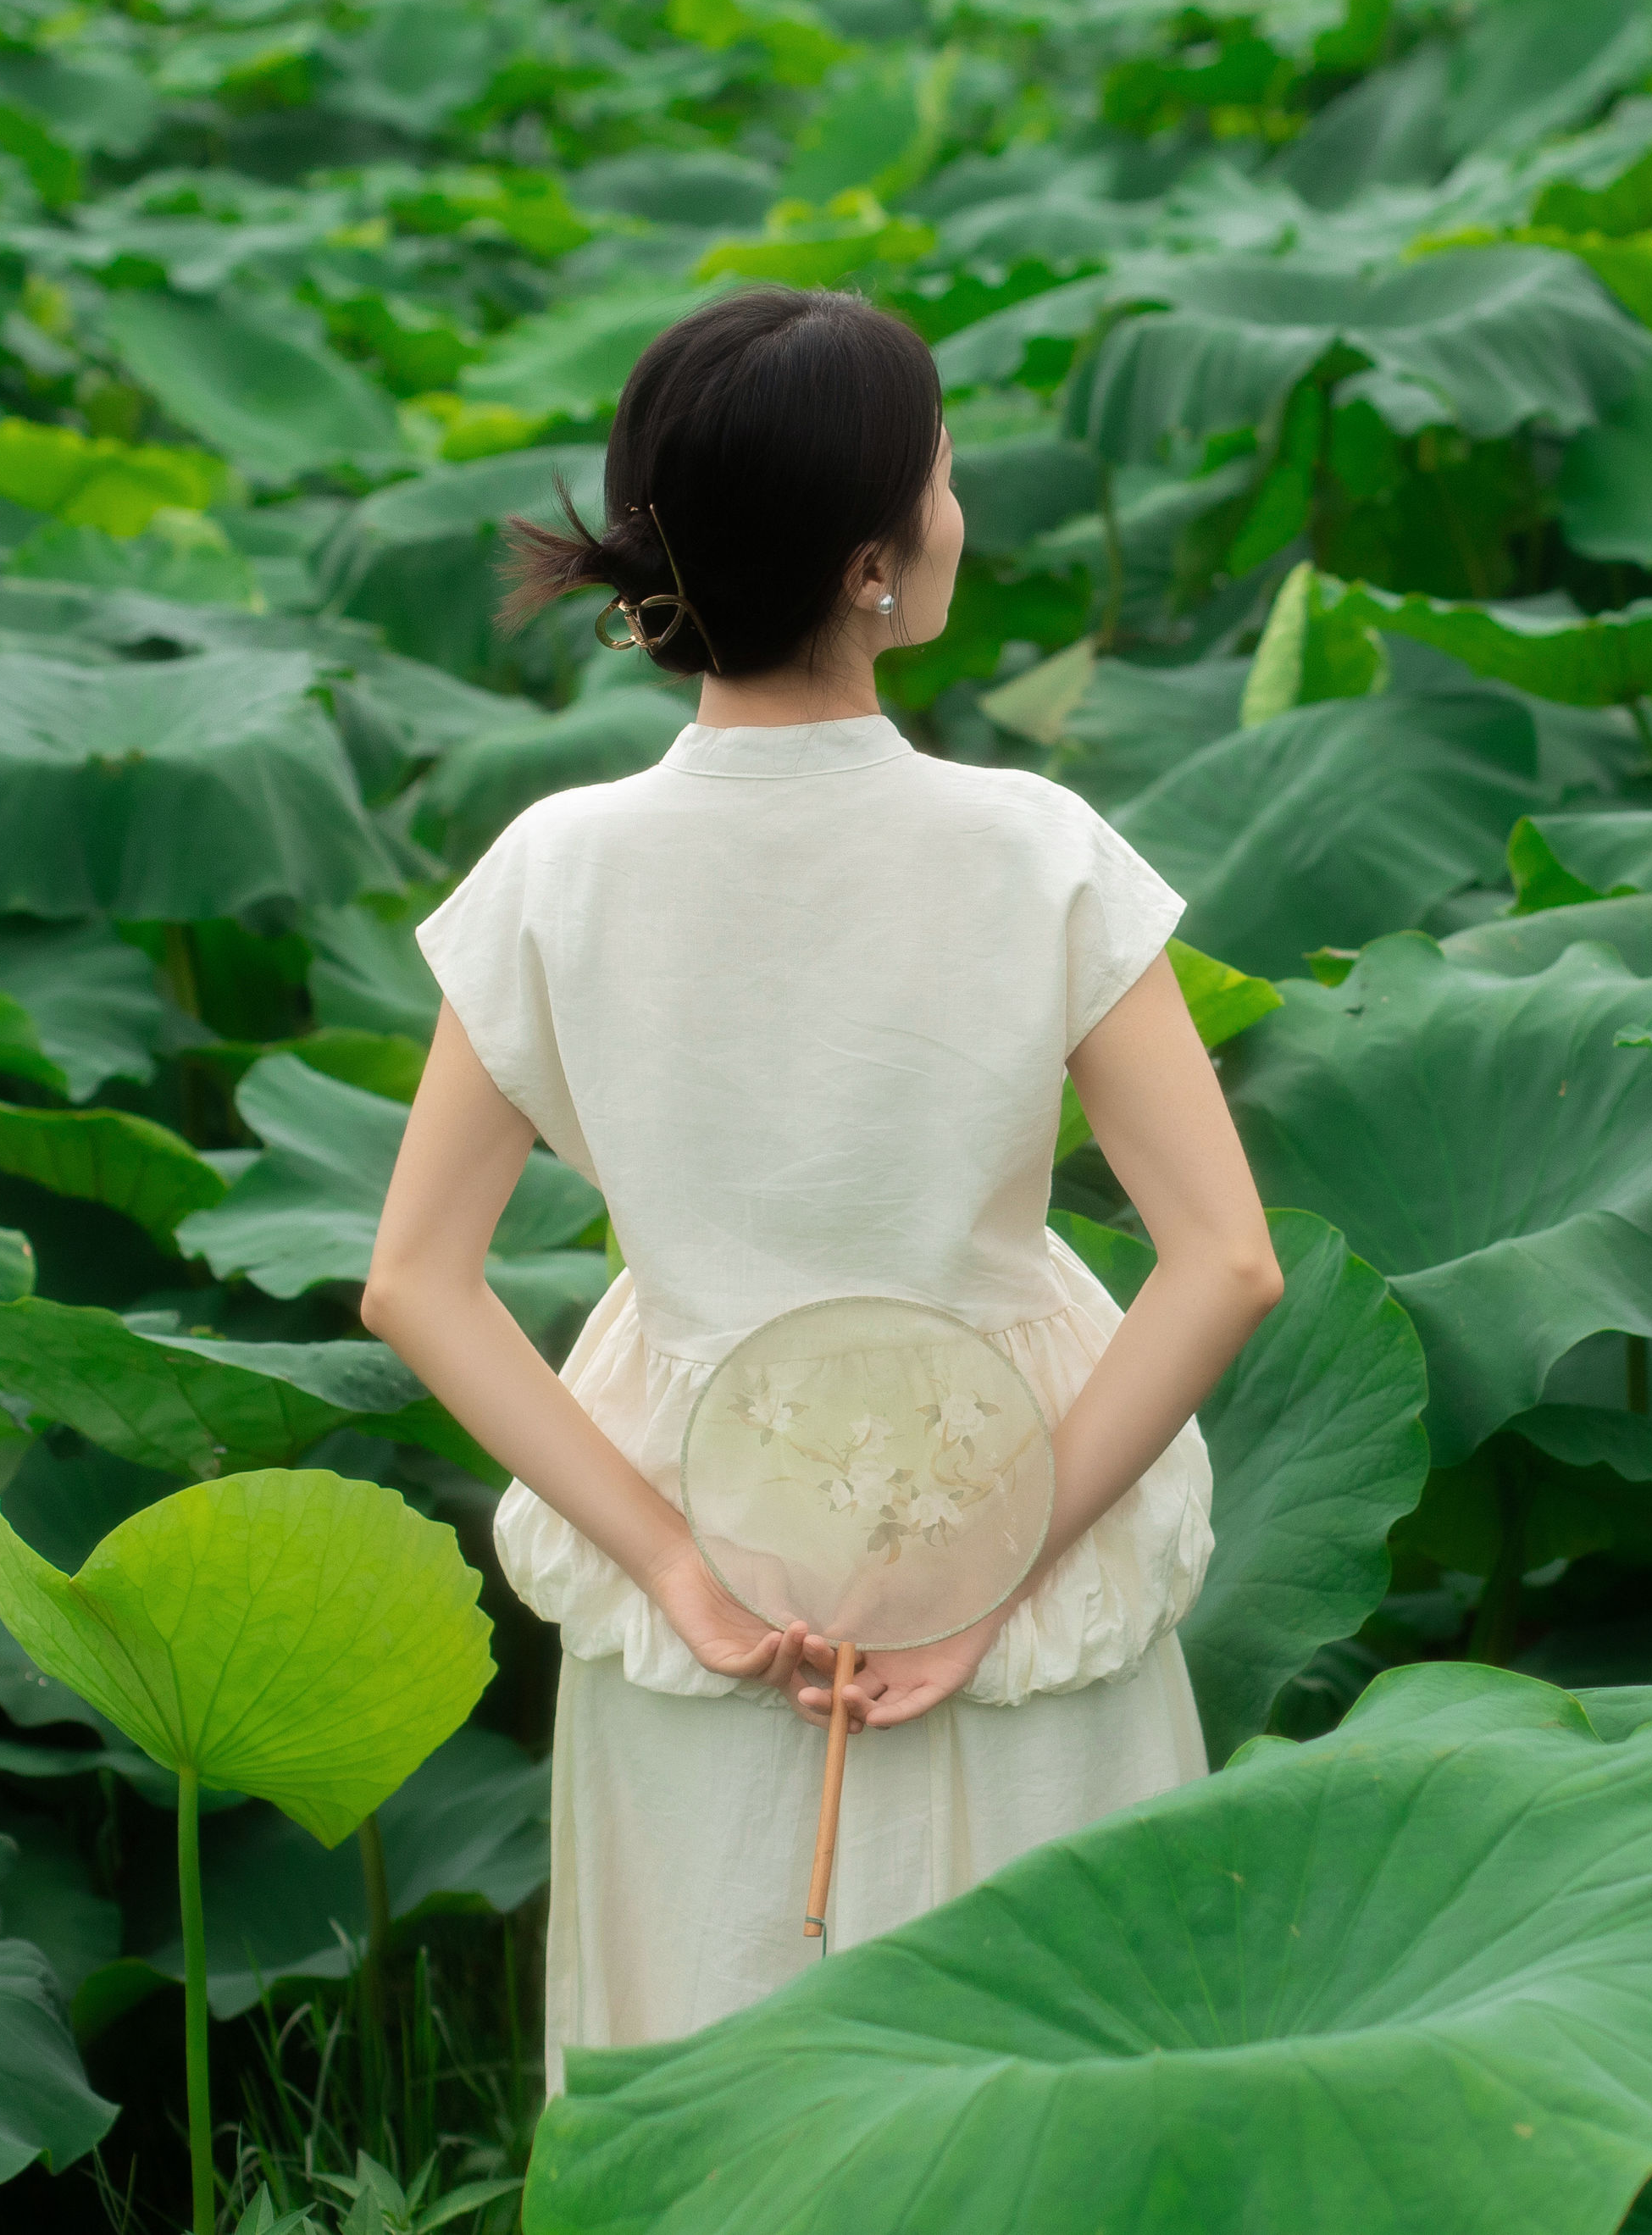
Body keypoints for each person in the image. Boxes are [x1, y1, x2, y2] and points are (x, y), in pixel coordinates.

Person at [358, 286, 1283, 2077]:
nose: (956, 513)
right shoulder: (1036, 853)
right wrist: (1004, 1570)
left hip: (710, 1538)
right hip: (1010, 1518)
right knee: (1057, 2109)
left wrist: (675, 1574)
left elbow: (416, 1282)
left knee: (717, 2092)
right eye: (938, 481)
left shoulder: (555, 870)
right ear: (874, 562)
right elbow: (1225, 1263)